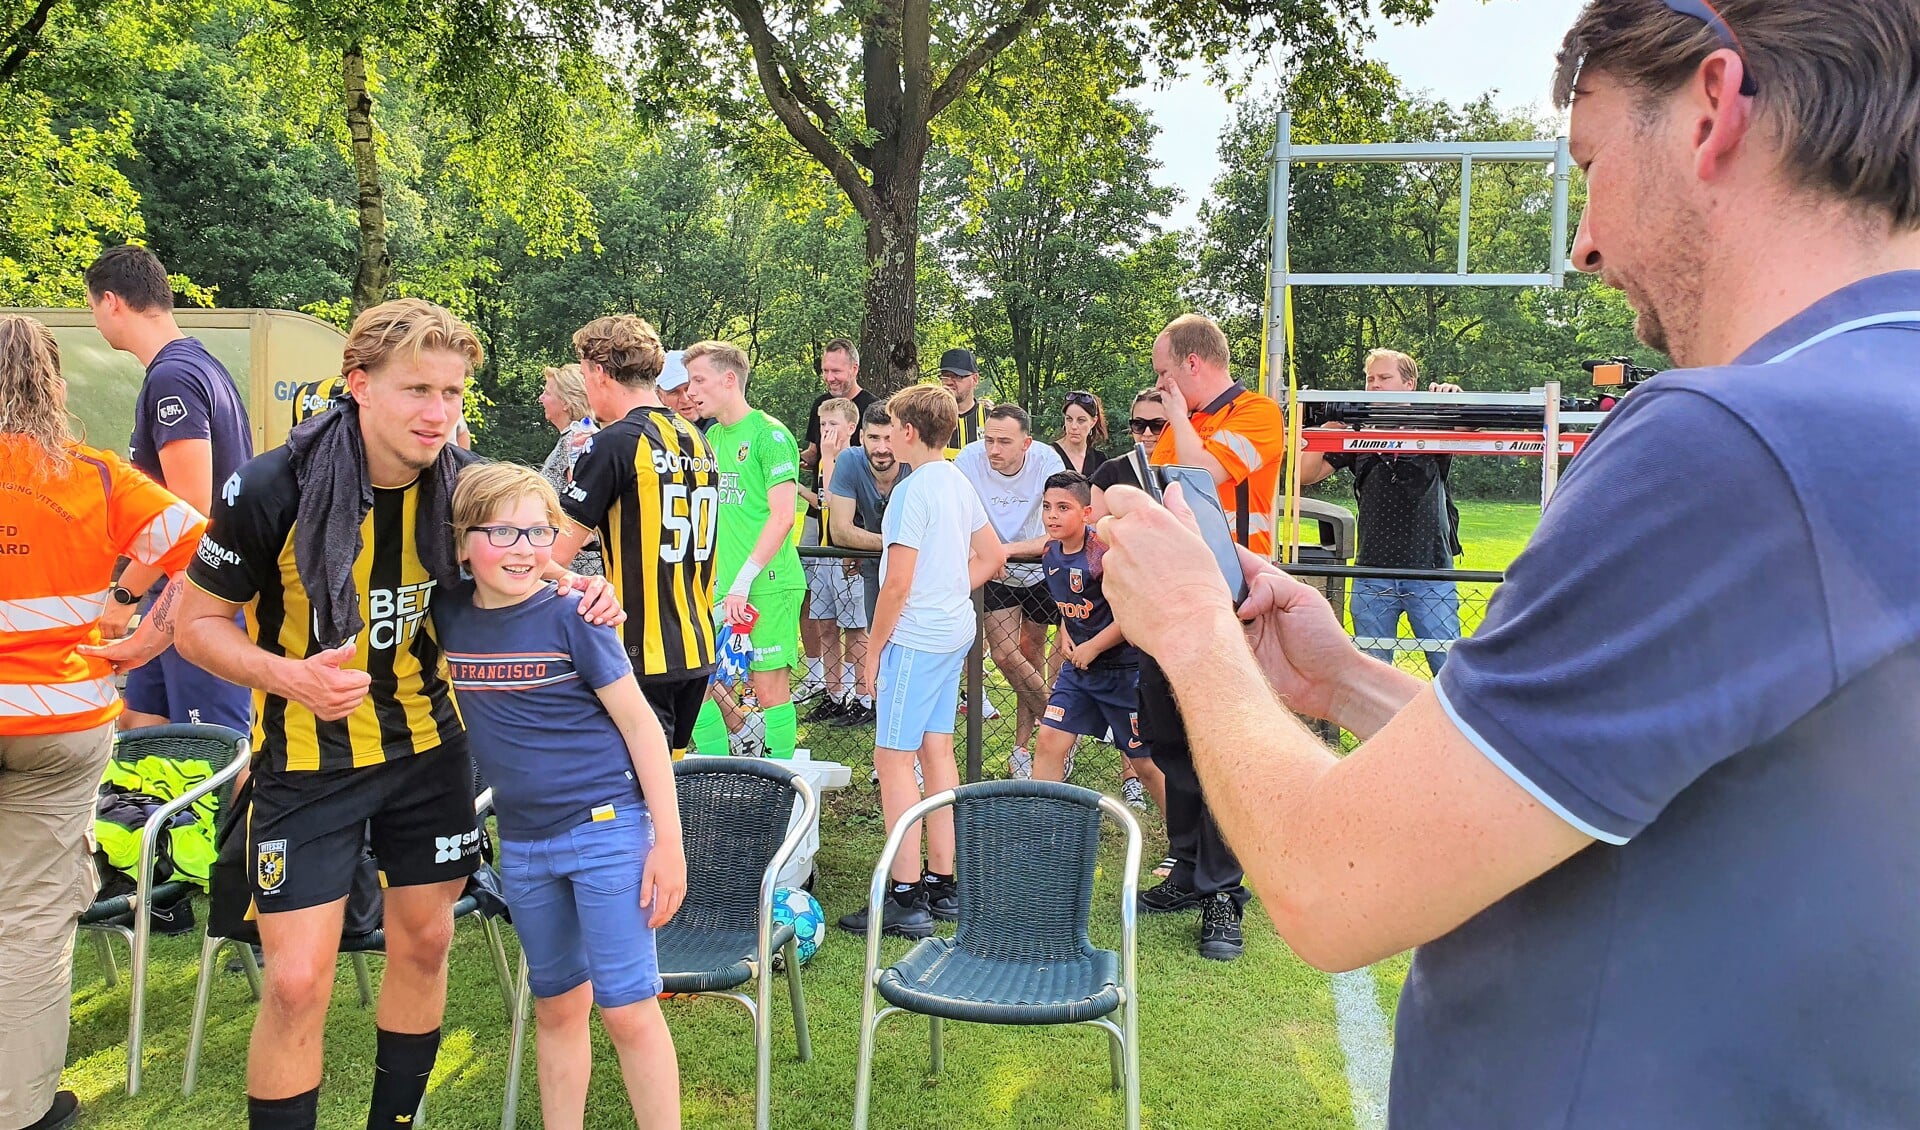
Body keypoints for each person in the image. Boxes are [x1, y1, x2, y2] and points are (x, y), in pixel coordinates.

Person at [1097, 2, 1920, 1124]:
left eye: (1588, 163)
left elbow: (1334, 885)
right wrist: (1344, 680)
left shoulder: (1731, 442)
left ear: (1713, 108)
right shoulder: (1873, 410)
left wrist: (1190, 621)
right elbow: (1630, 793)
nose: (1584, 241)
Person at [173, 298, 621, 1130]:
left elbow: (529, 549)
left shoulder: (466, 482)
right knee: (296, 981)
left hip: (428, 750)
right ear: (358, 386)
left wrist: (584, 586)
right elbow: (191, 625)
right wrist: (287, 676)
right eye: (418, 389)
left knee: (424, 945)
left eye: (453, 394)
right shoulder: (274, 484)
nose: (438, 413)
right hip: (308, 761)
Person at [0, 313, 207, 1130]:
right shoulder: (94, 476)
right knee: (31, 916)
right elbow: (211, 554)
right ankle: (20, 1108)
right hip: (59, 717)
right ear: (52, 383)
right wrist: (143, 634)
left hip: (55, 719)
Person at [435, 463, 685, 1128]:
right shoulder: (448, 612)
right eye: (502, 531)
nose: (522, 547)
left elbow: (640, 726)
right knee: (555, 1005)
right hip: (522, 844)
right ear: (461, 542)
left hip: (608, 829)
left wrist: (669, 844)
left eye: (537, 531)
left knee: (628, 1007)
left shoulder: (577, 615)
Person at [1092, 316, 1289, 962]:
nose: (1158, 383)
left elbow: (1207, 477)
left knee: (1223, 749)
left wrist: (1176, 416)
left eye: (1163, 371)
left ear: (1193, 366)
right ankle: (1187, 869)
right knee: (1171, 739)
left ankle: (1225, 893)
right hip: (1168, 604)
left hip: (1231, 604)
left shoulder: (1257, 415)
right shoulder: (1181, 429)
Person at [838, 386, 1005, 938]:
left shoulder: (912, 492)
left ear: (908, 432)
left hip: (917, 635)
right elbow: (993, 556)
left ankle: (904, 894)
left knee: (892, 758)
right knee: (935, 749)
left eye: (892, 428)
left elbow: (898, 583)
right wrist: (954, 588)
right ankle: (942, 879)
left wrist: (875, 650)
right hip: (952, 628)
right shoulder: (957, 481)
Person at [85, 243, 254, 732]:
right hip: (173, 589)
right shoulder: (197, 364)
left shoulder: (174, 377)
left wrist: (123, 595)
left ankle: (233, 814)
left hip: (202, 591)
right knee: (141, 722)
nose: (96, 320)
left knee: (216, 745)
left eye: (94, 306)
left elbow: (190, 508)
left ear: (112, 301)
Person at [555, 317, 719, 761]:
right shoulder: (697, 440)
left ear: (600, 372)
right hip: (697, 643)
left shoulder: (614, 442)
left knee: (635, 803)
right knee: (668, 788)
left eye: (585, 373)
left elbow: (552, 557)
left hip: (638, 651)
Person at [1294, 349, 1462, 674]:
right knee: (1373, 674)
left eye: (1385, 378)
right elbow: (1304, 474)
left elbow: (1479, 435)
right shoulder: (1357, 432)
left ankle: (1452, 725)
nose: (1375, 386)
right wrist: (1331, 424)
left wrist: (1455, 402)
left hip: (1429, 571)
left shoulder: (1432, 424)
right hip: (1371, 572)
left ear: (1409, 384)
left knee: (1448, 671)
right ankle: (1382, 728)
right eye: (1371, 379)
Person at [682, 340, 805, 761]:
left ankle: (783, 790)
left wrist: (743, 580)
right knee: (695, 683)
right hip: (721, 587)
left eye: (699, 380)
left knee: (769, 690)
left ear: (728, 379)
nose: (691, 390)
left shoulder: (769, 434)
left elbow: (783, 515)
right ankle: (716, 773)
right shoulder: (712, 436)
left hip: (766, 584)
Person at [1033, 473, 1165, 813]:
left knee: (1145, 764)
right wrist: (1065, 630)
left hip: (1123, 673)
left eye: (1064, 508)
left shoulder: (1104, 556)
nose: (1052, 515)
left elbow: (1132, 612)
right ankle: (1039, 827)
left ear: (1087, 513)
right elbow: (1072, 603)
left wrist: (1094, 645)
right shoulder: (1050, 551)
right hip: (1078, 673)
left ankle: (1186, 844)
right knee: (1048, 740)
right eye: (1047, 507)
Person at [954, 405, 1064, 777]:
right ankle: (1060, 726)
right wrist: (985, 552)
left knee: (1031, 654)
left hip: (1037, 566)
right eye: (989, 440)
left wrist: (1006, 550)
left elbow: (1059, 527)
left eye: (1004, 442)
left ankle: (1023, 749)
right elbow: (955, 516)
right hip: (995, 571)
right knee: (1004, 655)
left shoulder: (1048, 461)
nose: (993, 450)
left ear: (1027, 443)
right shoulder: (968, 460)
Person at [826, 398, 913, 715]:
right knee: (880, 641)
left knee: (914, 647)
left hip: (919, 570)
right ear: (861, 436)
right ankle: (887, 718)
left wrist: (867, 544)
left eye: (888, 438)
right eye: (873, 438)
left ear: (903, 436)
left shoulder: (916, 464)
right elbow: (840, 531)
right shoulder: (849, 461)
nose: (881, 447)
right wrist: (897, 544)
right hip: (876, 568)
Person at [799, 398, 872, 725]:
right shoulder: (827, 461)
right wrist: (796, 486)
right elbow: (821, 504)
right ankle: (834, 694)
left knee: (855, 630)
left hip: (848, 557)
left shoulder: (853, 461)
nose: (825, 431)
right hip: (825, 553)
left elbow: (834, 498)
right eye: (822, 425)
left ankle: (864, 698)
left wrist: (827, 458)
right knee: (826, 626)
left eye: (832, 425)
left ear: (851, 428)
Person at [536, 362, 602, 576]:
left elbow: (588, 495)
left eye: (547, 393)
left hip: (577, 567)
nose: (541, 399)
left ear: (565, 402)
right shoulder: (572, 437)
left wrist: (579, 538)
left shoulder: (577, 439)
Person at [798, 338, 877, 468]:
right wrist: (793, 459)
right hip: (819, 487)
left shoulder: (873, 408)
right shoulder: (821, 404)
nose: (829, 378)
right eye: (825, 371)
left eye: (836, 371)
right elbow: (814, 452)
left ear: (854, 369)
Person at [935, 348, 990, 459]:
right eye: (945, 376)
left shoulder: (991, 419)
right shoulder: (928, 418)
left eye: (957, 376)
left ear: (975, 379)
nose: (949, 382)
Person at [1050, 389, 1110, 477]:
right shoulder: (1049, 455)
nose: (1074, 426)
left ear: (1093, 422)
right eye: (1069, 419)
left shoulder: (1100, 460)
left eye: (1081, 420)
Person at [655, 350, 714, 433]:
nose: (685, 399)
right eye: (674, 392)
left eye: (689, 388)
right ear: (660, 396)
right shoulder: (655, 434)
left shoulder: (726, 425)